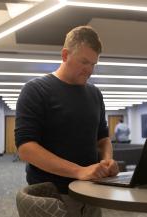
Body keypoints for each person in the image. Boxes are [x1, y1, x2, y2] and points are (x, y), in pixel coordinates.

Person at [15, 25, 119, 217]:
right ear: (65, 55)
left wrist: (106, 161)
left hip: (92, 193)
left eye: (93, 64)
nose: (89, 70)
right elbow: (26, 148)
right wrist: (79, 171)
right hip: (53, 197)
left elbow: (103, 138)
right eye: (84, 62)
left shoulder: (95, 94)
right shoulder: (35, 90)